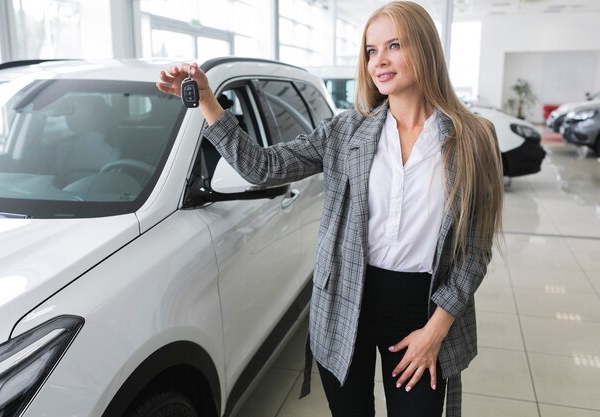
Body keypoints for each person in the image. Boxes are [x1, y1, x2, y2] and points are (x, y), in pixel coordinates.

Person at [156, 1, 503, 416]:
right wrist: (208, 102)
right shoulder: (346, 131)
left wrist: (436, 331)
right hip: (345, 300)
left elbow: (476, 249)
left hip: (424, 309)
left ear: (426, 49)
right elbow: (261, 166)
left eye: (394, 45)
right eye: (371, 51)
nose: (380, 60)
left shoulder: (472, 138)